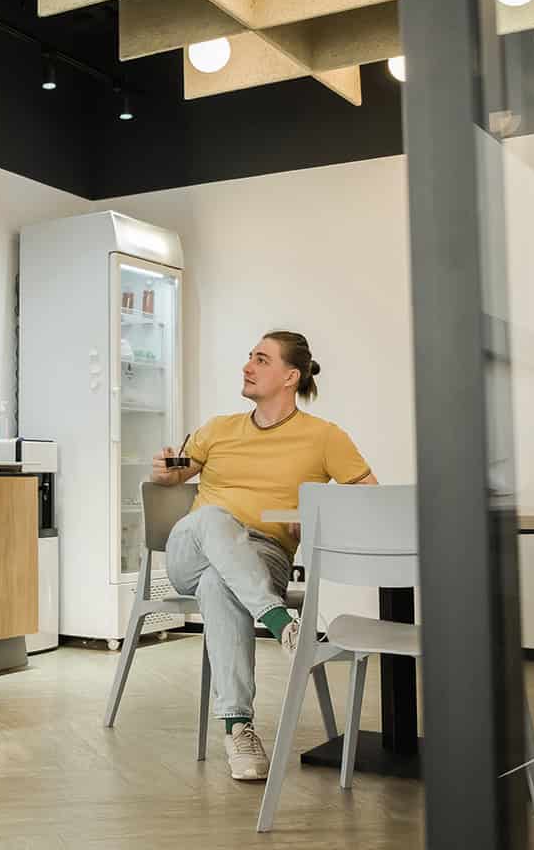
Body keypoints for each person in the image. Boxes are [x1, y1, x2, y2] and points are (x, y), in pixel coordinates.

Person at [150, 330, 376, 782]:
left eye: (260, 359)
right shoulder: (218, 428)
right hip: (191, 550)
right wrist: (165, 469)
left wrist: (314, 518)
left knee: (221, 585)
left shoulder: (324, 437)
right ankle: (282, 625)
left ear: (291, 376)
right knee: (214, 518)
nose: (247, 367)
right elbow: (176, 475)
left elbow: (368, 499)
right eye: (249, 357)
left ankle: (238, 729)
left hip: (264, 556)